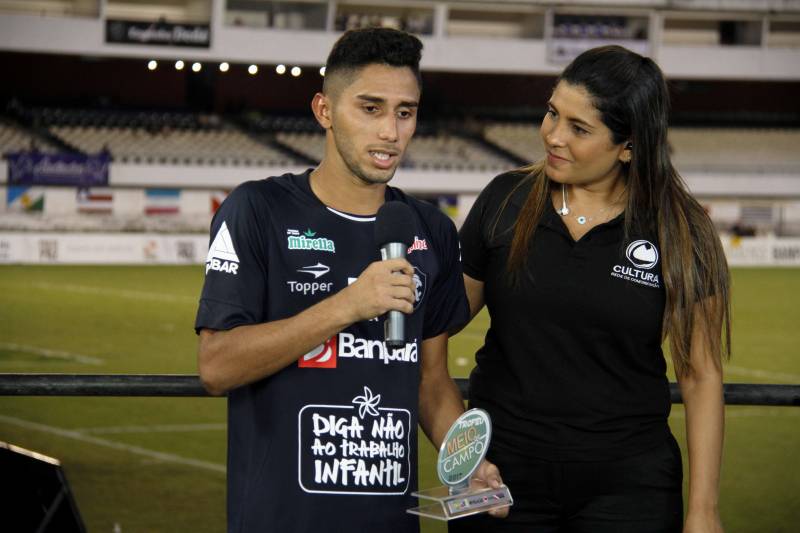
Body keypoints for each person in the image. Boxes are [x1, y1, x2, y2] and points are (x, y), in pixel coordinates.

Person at [194, 28, 503, 533]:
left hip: (390, 521)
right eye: (370, 108)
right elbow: (217, 366)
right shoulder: (256, 209)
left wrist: (467, 461)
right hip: (280, 520)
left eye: (406, 112)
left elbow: (430, 379)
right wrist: (349, 305)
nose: (391, 131)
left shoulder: (430, 229)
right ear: (324, 111)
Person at [451, 45, 730, 533]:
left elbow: (701, 375)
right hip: (497, 478)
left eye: (579, 129)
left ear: (629, 146)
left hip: (629, 487)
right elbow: (439, 323)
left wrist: (703, 511)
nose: (553, 136)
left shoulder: (681, 230)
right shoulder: (504, 200)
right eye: (552, 113)